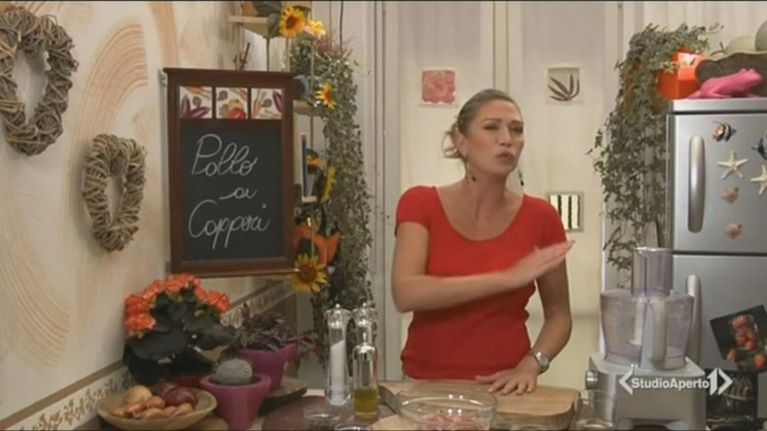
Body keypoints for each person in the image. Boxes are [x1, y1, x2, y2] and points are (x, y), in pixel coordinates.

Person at [392, 88, 573, 396]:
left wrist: (532, 364)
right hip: (425, 385)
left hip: (506, 388)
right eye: (491, 128)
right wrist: (505, 278)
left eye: (516, 130)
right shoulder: (420, 203)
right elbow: (406, 293)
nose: (507, 139)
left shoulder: (542, 217)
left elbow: (559, 316)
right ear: (461, 141)